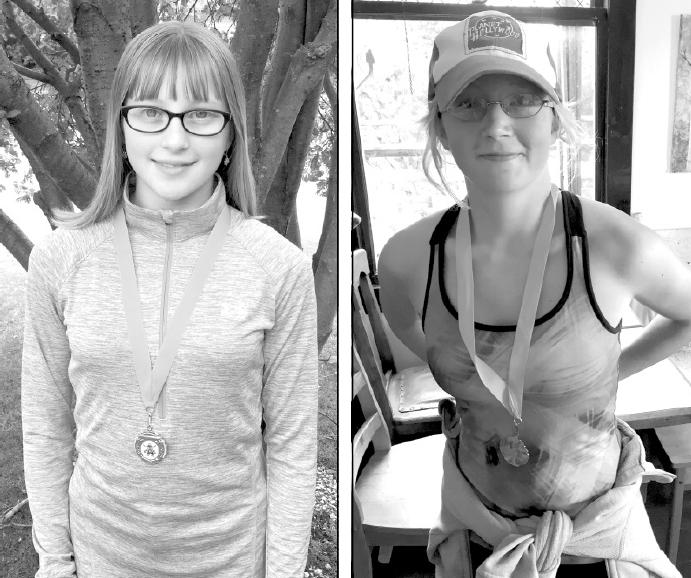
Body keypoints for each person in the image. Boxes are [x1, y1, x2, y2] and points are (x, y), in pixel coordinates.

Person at [378, 11, 691, 577]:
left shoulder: (613, 244)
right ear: (441, 128)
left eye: (522, 100)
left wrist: (609, 373)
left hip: (598, 541)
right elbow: (428, 346)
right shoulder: (405, 260)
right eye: (468, 102)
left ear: (554, 120)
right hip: (475, 531)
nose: (496, 124)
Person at [21, 21, 317, 578]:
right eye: (151, 112)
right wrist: (55, 562)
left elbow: (292, 447)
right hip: (100, 559)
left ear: (231, 133)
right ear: (121, 127)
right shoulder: (60, 261)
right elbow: (46, 428)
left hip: (232, 561)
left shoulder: (280, 268)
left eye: (202, 114)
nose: (175, 140)